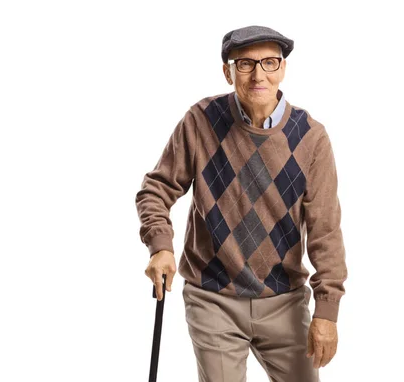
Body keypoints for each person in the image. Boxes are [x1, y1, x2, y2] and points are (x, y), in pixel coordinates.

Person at [135, 25, 348, 382]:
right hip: (213, 297)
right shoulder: (200, 121)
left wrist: (327, 310)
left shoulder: (311, 137)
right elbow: (156, 189)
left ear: (282, 69)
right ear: (228, 71)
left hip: (284, 299)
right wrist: (160, 246)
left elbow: (325, 229)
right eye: (245, 64)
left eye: (269, 62)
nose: (258, 74)